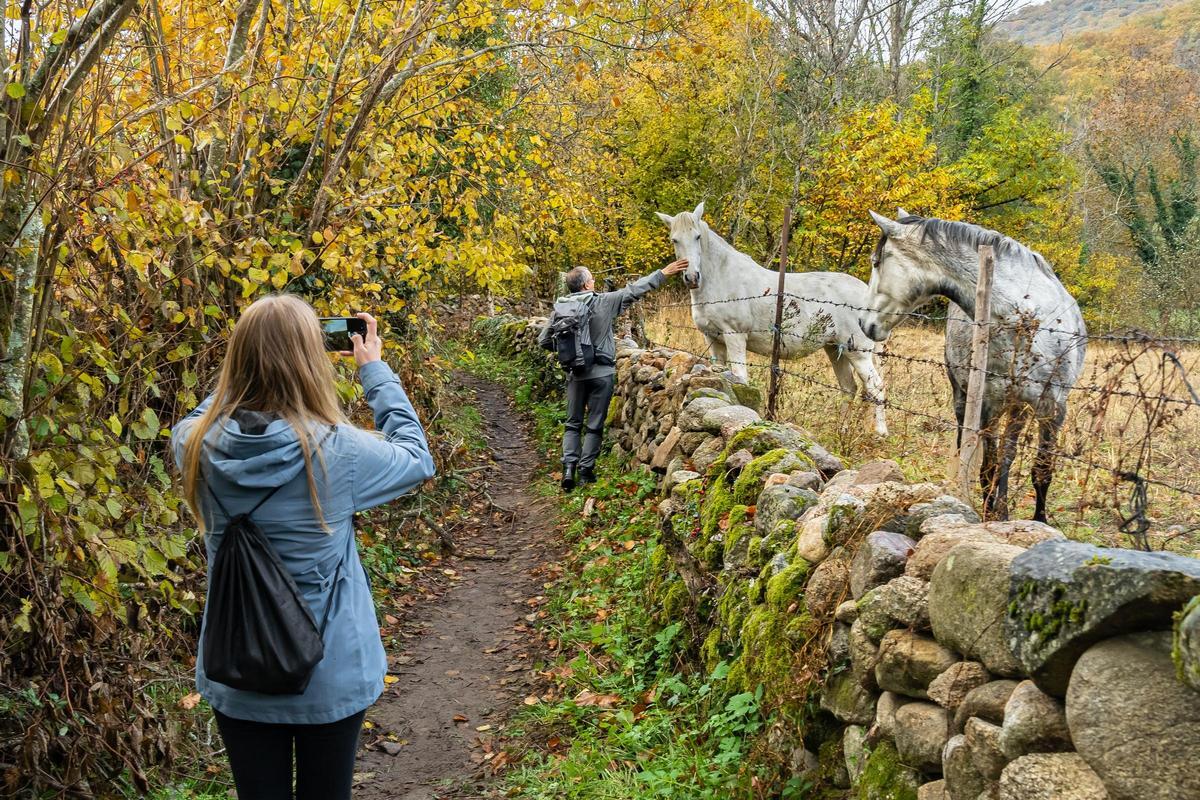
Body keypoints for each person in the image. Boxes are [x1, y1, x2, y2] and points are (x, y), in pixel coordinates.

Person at [171, 295, 434, 800]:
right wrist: (374, 370)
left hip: (237, 665)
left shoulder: (194, 445)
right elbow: (416, 457)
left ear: (235, 360)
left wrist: (241, 370)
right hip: (330, 671)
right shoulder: (338, 450)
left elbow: (206, 410)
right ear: (312, 359)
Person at [539, 260, 688, 490]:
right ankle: (586, 470)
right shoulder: (603, 301)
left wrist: (570, 353)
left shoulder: (561, 307)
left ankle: (568, 468)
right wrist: (663, 273)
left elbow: (544, 340)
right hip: (602, 373)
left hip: (575, 373)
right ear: (588, 284)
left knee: (572, 424)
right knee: (595, 424)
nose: (595, 281)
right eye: (592, 278)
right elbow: (635, 290)